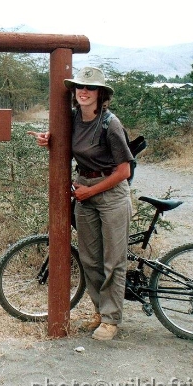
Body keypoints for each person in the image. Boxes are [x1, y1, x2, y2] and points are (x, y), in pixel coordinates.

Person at [27, 67, 133, 341]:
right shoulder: (72, 119)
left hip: (109, 194)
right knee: (90, 259)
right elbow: (60, 141)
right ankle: (99, 310)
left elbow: (124, 172)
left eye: (90, 88)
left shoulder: (111, 124)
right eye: (79, 87)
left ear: (101, 94)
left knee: (113, 261)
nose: (84, 92)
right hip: (84, 192)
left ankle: (111, 320)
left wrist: (91, 191)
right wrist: (47, 139)